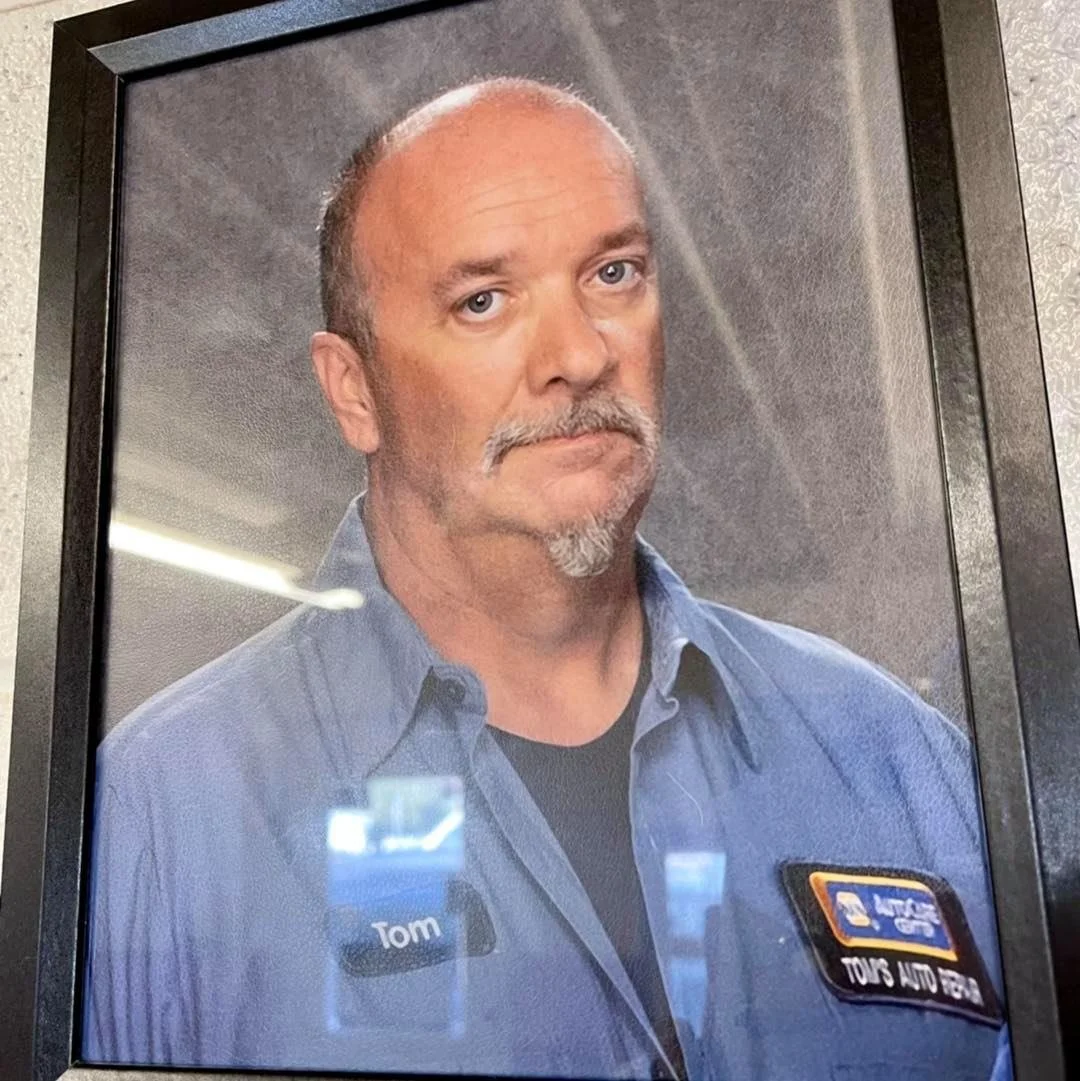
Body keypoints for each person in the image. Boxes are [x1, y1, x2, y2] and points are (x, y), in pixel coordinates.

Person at [84, 78, 1012, 1080]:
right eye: (482, 301)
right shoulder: (153, 824)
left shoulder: (906, 763)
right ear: (354, 391)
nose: (577, 355)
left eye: (614, 274)